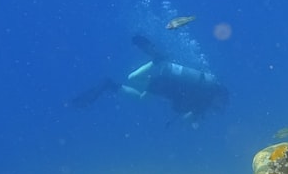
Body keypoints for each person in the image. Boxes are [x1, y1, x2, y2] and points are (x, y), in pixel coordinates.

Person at [71, 35, 228, 123]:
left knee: (139, 92)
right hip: (167, 86)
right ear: (219, 97)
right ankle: (155, 60)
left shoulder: (205, 93)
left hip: (168, 85)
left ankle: (111, 85)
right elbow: (185, 118)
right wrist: (194, 121)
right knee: (134, 81)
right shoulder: (204, 99)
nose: (218, 107)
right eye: (220, 104)